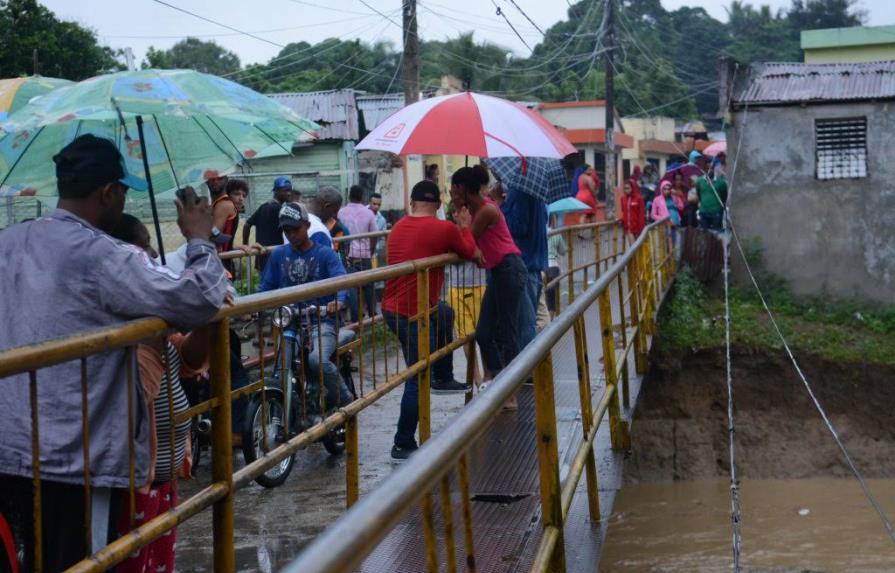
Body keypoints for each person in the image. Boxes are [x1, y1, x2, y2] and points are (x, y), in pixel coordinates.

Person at [0, 134, 227, 572]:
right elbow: (196, 299)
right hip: (72, 459)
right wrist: (200, 240)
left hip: (8, 448)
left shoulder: (8, 243)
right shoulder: (103, 254)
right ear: (108, 192)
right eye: (123, 192)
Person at [109, 214, 209, 573]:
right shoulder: (119, 319)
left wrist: (207, 318)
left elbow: (188, 359)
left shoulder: (151, 313)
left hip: (161, 480)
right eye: (142, 248)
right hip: (134, 484)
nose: (151, 254)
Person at [382, 180, 478, 461]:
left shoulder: (398, 226)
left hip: (395, 308)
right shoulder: (443, 228)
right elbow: (469, 251)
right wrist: (463, 224)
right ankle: (402, 442)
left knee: (445, 313)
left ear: (412, 203)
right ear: (437, 206)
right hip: (413, 313)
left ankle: (443, 376)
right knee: (417, 374)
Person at [259, 202, 354, 417]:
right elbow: (265, 287)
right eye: (287, 230)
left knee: (316, 360)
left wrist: (338, 300)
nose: (291, 234)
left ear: (307, 225)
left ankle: (345, 396)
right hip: (289, 322)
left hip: (322, 321)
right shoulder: (278, 255)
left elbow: (342, 279)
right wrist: (252, 307)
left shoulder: (325, 254)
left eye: (295, 229)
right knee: (280, 366)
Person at [450, 165, 527, 408]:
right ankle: (495, 379)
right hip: (498, 272)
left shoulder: (486, 211)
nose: (450, 192)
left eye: (453, 188)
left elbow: (465, 245)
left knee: (508, 333)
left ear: (462, 189)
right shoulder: (474, 211)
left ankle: (510, 392)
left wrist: (464, 229)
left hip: (509, 270)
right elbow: (467, 247)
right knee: (484, 332)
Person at [499, 179, 546, 348]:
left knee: (525, 325)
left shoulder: (518, 189)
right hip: (535, 262)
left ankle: (528, 372)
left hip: (524, 262)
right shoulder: (536, 187)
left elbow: (518, 226)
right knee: (529, 320)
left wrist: (500, 207)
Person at [339, 185, 379, 321]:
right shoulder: (368, 213)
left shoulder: (341, 212)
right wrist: (371, 250)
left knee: (352, 288)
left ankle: (356, 319)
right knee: (368, 285)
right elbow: (375, 235)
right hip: (364, 255)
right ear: (362, 197)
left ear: (349, 196)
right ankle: (373, 315)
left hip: (347, 256)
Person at [243, 176, 293, 272]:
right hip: (275, 258)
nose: (289, 193)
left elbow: (247, 225)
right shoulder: (281, 210)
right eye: (286, 190)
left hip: (262, 258)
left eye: (290, 190)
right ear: (276, 191)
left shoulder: (264, 207)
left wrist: (245, 244)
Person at [207, 172, 237, 253]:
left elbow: (213, 238)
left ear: (226, 180)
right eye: (212, 178)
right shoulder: (215, 205)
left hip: (221, 260)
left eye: (220, 178)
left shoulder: (223, 204)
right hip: (219, 259)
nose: (216, 181)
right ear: (206, 181)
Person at [546, 218, 567, 319]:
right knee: (552, 295)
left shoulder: (538, 233)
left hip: (541, 266)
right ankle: (551, 319)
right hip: (553, 266)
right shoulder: (557, 234)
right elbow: (563, 251)